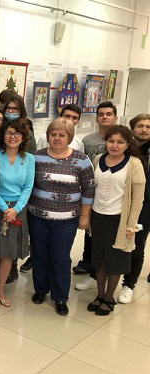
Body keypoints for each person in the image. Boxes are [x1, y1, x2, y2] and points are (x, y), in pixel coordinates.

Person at [28, 118, 95, 316]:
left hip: (66, 220)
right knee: (39, 254)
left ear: (70, 137)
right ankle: (41, 289)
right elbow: (28, 184)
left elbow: (89, 189)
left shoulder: (81, 160)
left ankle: (60, 297)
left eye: (61, 135)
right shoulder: (36, 157)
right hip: (37, 216)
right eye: (53, 134)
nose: (57, 138)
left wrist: (84, 216)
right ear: (48, 136)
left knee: (60, 257)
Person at [87, 125, 145, 316]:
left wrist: (131, 224)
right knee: (100, 258)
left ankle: (109, 297)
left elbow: (138, 198)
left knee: (115, 260)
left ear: (128, 144)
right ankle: (99, 294)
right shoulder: (98, 159)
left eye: (120, 142)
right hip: (98, 216)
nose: (114, 145)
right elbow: (92, 188)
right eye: (111, 141)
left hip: (119, 220)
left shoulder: (134, 164)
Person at [0, 119, 34, 308]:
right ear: (2, 135)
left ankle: (1, 288)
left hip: (17, 210)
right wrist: (5, 208)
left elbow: (28, 187)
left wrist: (15, 209)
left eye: (17, 133)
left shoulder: (29, 159)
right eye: (9, 133)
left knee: (8, 253)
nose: (13, 137)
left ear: (23, 137)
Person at [74, 101, 119, 289]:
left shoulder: (122, 138)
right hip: (93, 193)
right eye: (101, 114)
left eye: (109, 114)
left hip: (115, 196)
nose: (105, 117)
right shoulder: (88, 140)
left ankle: (111, 274)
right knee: (91, 232)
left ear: (115, 117)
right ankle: (90, 267)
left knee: (111, 238)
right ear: (96, 118)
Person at [119, 114, 150, 301]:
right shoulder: (126, 148)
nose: (144, 130)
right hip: (121, 203)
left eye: (148, 126)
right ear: (133, 128)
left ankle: (129, 284)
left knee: (137, 245)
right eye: (140, 126)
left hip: (145, 206)